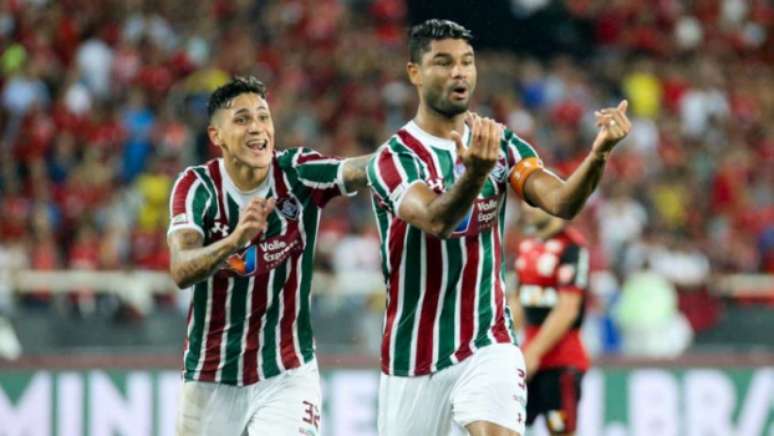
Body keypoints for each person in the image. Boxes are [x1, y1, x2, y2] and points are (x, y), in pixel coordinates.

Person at [366, 19, 630, 436]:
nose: (459, 72)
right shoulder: (394, 158)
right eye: (443, 62)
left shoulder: (500, 143)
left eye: (467, 62)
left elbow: (561, 202)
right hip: (413, 354)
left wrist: (598, 155)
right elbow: (436, 220)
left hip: (487, 340)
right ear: (414, 73)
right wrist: (474, 175)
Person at [167, 76, 369, 436]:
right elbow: (182, 269)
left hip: (286, 373)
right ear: (217, 136)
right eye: (242, 119)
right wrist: (236, 239)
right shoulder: (197, 186)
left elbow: (355, 170)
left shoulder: (297, 172)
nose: (257, 128)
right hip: (210, 376)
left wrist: (414, 149)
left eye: (263, 117)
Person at [510, 203, 590, 436]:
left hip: (561, 362)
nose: (526, 208)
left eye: (535, 202)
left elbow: (567, 309)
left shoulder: (572, 247)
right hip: (526, 360)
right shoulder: (525, 247)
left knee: (559, 429)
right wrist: (509, 349)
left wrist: (533, 352)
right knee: (510, 426)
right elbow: (517, 303)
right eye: (525, 202)